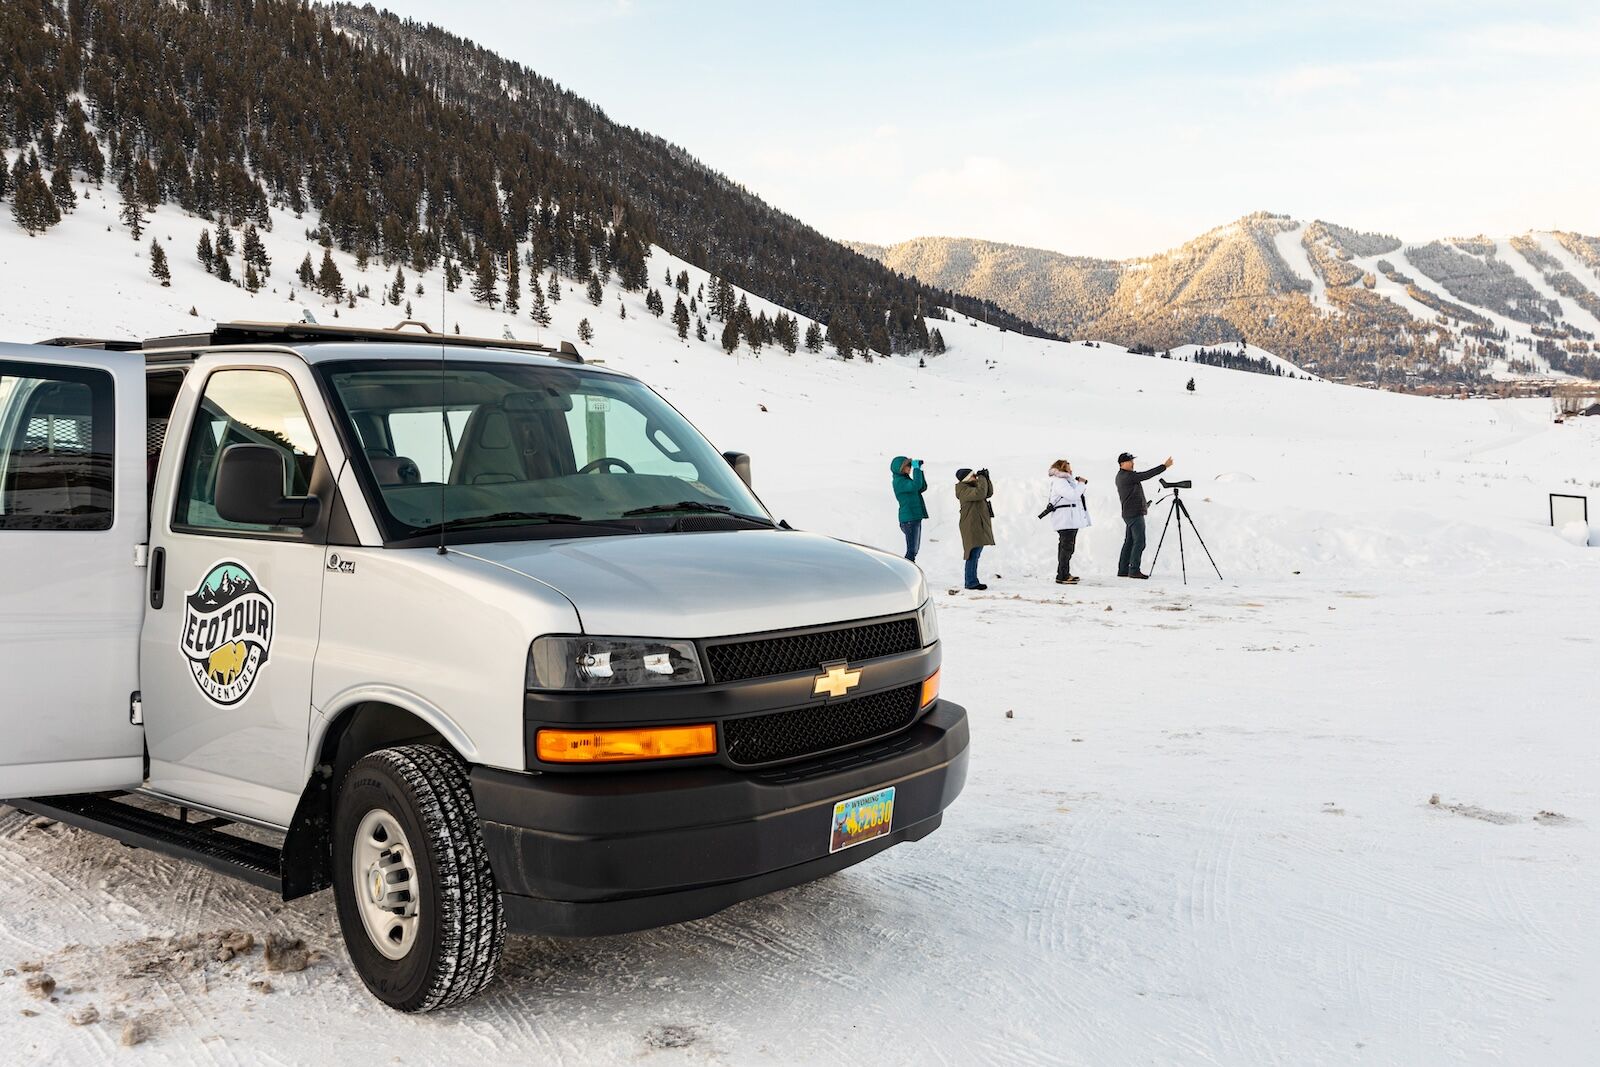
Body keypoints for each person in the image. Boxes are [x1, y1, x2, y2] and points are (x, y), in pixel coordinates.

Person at [1115, 451, 1173, 579]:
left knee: (1129, 542)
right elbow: (1147, 475)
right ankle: (1134, 570)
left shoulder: (1121, 476)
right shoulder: (1128, 476)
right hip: (1134, 514)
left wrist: (1143, 505)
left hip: (1129, 512)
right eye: (1130, 461)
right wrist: (1164, 466)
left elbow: (1131, 494)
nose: (1133, 463)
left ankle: (1123, 569)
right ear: (1122, 464)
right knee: (1139, 542)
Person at [1043, 459, 1090, 584]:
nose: (1071, 470)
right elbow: (1074, 495)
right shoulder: (1061, 482)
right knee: (1066, 547)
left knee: (1067, 547)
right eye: (1069, 468)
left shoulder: (1066, 482)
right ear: (1063, 469)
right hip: (1065, 520)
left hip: (1069, 519)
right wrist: (1081, 483)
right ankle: (1062, 575)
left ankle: (1064, 573)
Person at [954, 467, 995, 590]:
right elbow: (980, 493)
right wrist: (982, 478)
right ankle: (970, 582)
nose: (975, 477)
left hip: (978, 524)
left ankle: (972, 580)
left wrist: (986, 478)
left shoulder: (974, 486)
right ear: (966, 478)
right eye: (973, 475)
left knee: (976, 553)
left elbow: (988, 493)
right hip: (970, 525)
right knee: (972, 553)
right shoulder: (963, 489)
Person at [889, 455, 928, 562]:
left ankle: (908, 571)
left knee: (914, 550)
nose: (910, 467)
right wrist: (916, 469)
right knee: (911, 551)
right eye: (908, 465)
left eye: (911, 465)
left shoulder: (906, 479)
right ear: (900, 468)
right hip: (909, 519)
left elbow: (922, 487)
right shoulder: (899, 482)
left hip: (914, 517)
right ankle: (906, 572)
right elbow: (916, 485)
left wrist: (919, 470)